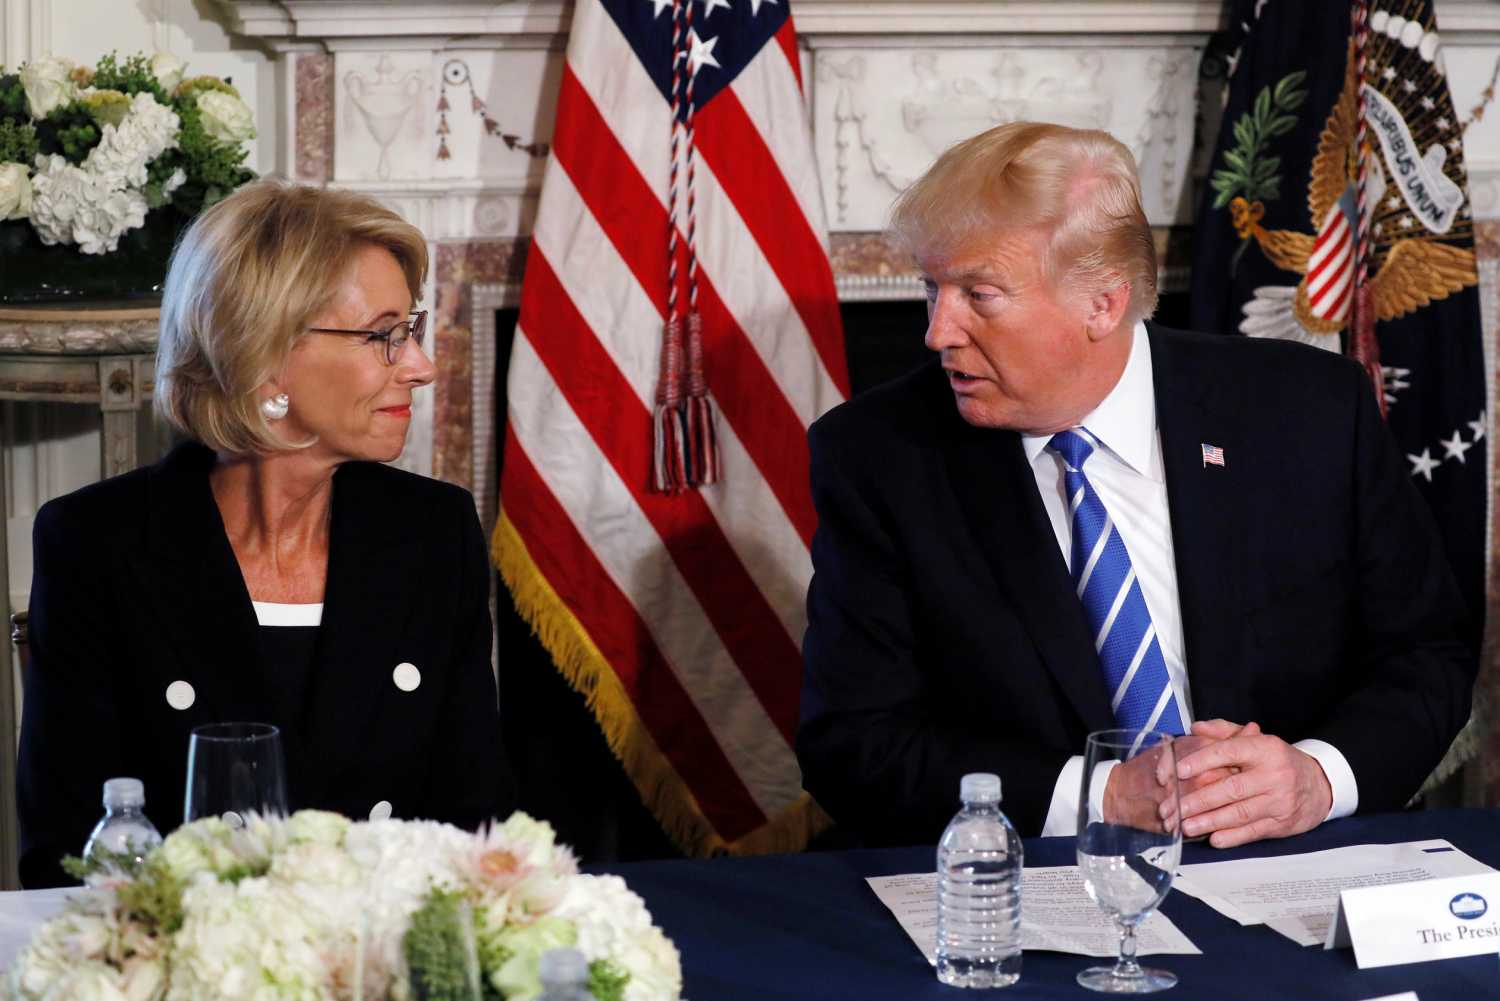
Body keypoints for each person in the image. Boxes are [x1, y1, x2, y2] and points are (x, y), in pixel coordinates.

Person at [797, 122, 1474, 850]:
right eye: (934, 288)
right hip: (1037, 879)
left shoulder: (1308, 413)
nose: (938, 331)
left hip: (1291, 862)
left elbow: (1427, 654)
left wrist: (1318, 776)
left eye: (979, 295)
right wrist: (1104, 794)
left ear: (1104, 304)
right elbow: (853, 742)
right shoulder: (882, 456)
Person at [18, 181, 514, 887]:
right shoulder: (98, 544)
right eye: (384, 335)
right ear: (265, 355)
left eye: (412, 329)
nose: (421, 365)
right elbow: (68, 857)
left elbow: (478, 826)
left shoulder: (434, 533)